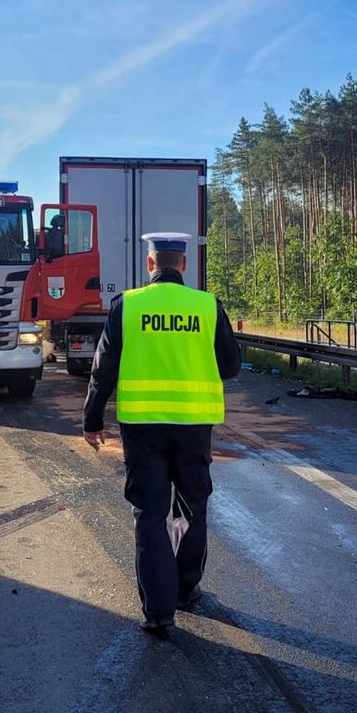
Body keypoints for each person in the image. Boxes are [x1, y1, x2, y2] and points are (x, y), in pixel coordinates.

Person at [83, 233, 241, 635]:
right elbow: (230, 366)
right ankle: (186, 591)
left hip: (143, 427)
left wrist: (92, 420)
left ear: (150, 264)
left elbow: (103, 369)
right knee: (191, 508)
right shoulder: (207, 306)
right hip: (193, 427)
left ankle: (158, 612)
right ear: (183, 265)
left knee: (150, 515)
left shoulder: (128, 306)